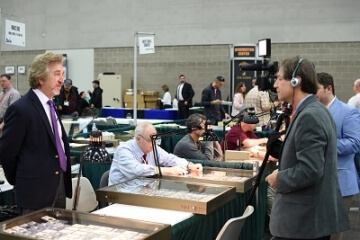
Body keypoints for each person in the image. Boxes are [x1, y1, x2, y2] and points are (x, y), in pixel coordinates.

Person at [265, 56, 350, 239]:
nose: (275, 85)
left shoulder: (310, 116)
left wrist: (279, 178)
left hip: (302, 223)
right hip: (306, 221)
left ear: (296, 81)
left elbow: (310, 169)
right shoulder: (313, 111)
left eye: (280, 79)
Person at [0, 52, 72, 214]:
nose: (62, 79)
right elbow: (7, 152)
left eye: (62, 74)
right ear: (40, 78)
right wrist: (21, 181)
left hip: (58, 185)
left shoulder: (51, 106)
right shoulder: (20, 109)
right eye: (57, 74)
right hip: (34, 193)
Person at [316, 72, 360, 240]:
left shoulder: (348, 112)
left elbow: (355, 143)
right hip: (317, 182)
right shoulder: (314, 111)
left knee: (333, 235)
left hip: (340, 182)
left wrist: (325, 144)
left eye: (317, 89)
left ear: (329, 88)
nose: (314, 94)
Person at [108, 122, 203, 185]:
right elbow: (137, 170)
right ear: (138, 139)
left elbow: (170, 159)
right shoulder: (123, 150)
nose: (154, 144)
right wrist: (166, 171)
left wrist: (189, 165)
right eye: (150, 141)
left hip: (144, 194)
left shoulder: (153, 148)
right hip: (122, 197)